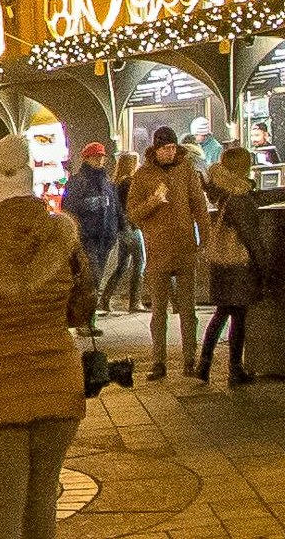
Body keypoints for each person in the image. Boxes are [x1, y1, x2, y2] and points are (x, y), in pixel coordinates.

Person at [0, 138, 96, 539]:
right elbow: (82, 311)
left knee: (3, 508)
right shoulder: (64, 240)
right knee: (43, 501)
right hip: (58, 384)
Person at [125, 125, 206, 379]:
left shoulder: (186, 171)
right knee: (159, 311)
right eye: (165, 149)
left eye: (172, 148)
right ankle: (158, 362)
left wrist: (205, 239)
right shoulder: (143, 175)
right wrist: (153, 201)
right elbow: (134, 214)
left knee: (188, 310)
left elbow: (199, 206)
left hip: (184, 248)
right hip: (157, 249)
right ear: (156, 149)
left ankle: (190, 359)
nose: (170, 153)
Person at [196, 146, 269, 386]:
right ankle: (235, 370)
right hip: (238, 265)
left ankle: (204, 364)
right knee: (238, 316)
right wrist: (263, 265)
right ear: (242, 166)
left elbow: (257, 198)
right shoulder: (239, 196)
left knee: (221, 312)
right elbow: (250, 236)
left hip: (223, 262)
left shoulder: (226, 191)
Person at [63, 143, 118, 330]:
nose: (100, 160)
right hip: (87, 239)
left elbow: (114, 209)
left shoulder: (107, 183)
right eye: (96, 157)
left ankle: (88, 319)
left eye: (102, 157)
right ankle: (84, 321)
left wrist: (114, 231)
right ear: (86, 159)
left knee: (96, 280)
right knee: (90, 279)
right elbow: (69, 210)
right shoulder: (77, 182)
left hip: (104, 238)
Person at [101, 151, 143, 314]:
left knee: (123, 265)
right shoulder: (129, 182)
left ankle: (105, 298)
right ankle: (135, 301)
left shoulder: (117, 182)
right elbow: (132, 205)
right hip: (130, 226)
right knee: (140, 262)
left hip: (121, 227)